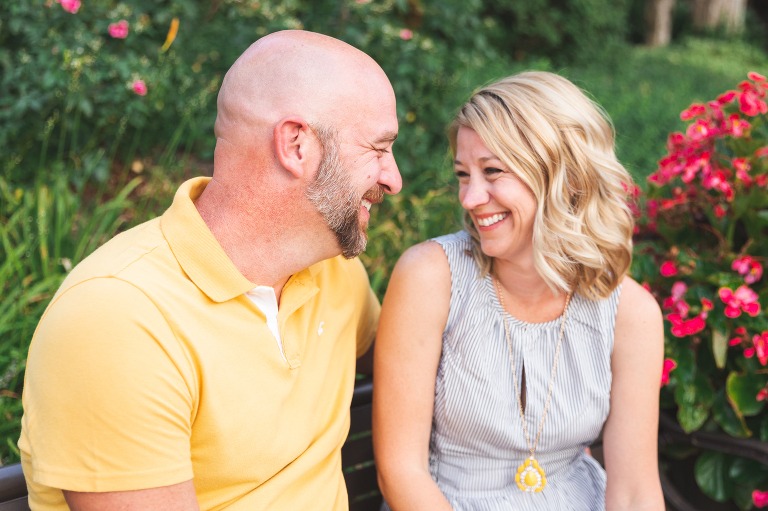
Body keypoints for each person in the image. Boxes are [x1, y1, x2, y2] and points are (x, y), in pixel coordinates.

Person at [19, 30, 401, 511]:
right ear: (296, 145)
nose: (394, 177)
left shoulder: (334, 276)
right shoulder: (119, 319)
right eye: (378, 148)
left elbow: (417, 368)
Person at [372, 72, 664, 511]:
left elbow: (635, 492)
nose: (470, 198)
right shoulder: (431, 278)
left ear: (563, 175)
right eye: (462, 174)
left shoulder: (631, 313)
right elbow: (400, 470)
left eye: (492, 172)